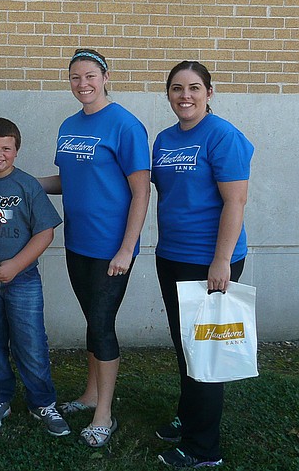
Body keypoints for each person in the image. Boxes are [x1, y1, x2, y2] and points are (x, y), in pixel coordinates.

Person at [38, 48, 150, 448]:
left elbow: (141, 193)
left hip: (110, 248)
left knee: (102, 324)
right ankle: (89, 395)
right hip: (78, 242)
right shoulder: (69, 125)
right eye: (74, 78)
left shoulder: (125, 125)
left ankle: (104, 414)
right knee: (92, 319)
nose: (82, 84)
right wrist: (21, 181)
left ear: (105, 76)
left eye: (89, 76)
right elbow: (68, 179)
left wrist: (126, 248)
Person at [152, 61, 254, 469]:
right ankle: (188, 416)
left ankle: (203, 450)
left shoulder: (224, 136)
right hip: (171, 256)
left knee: (206, 356)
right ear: (169, 95)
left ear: (210, 93)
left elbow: (236, 201)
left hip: (211, 262)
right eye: (177, 89)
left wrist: (221, 261)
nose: (185, 96)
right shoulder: (164, 139)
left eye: (195, 88)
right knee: (185, 346)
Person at [0, 117, 70, 437]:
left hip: (22, 278)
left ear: (17, 150)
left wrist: (16, 265)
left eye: (6, 148)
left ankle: (42, 401)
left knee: (31, 341)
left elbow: (45, 232)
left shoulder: (27, 185)